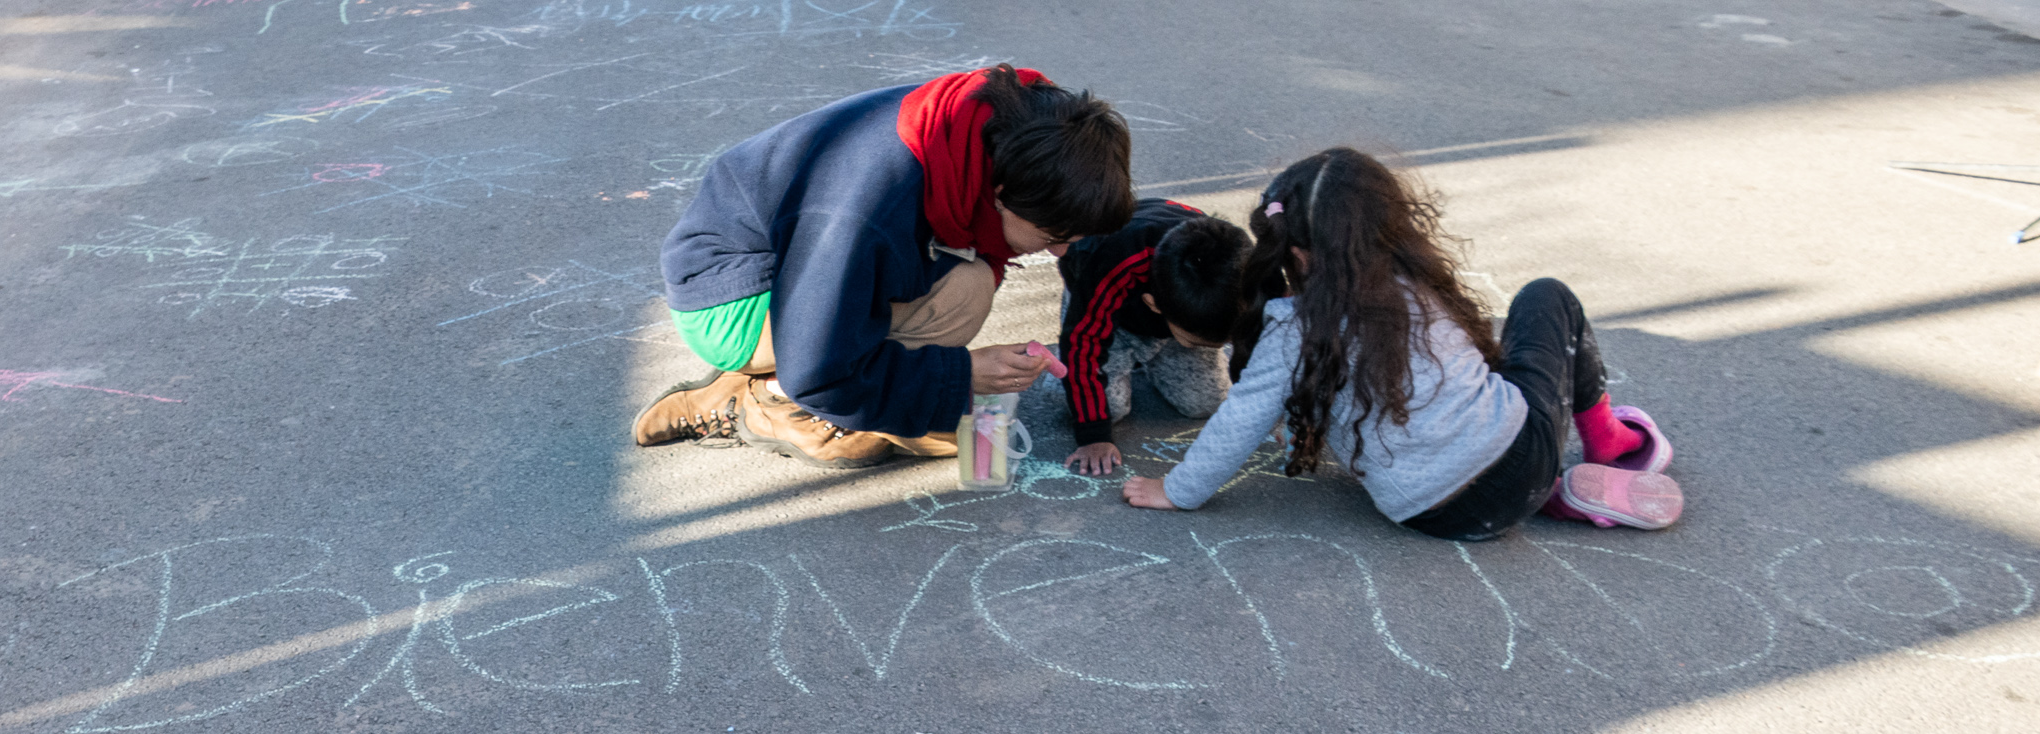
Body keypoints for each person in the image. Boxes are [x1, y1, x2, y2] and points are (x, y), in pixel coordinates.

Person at [1125, 148, 1680, 534]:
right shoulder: (1416, 283)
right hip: (1524, 463)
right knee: (1546, 298)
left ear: (1294, 252)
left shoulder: (1292, 327)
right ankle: (1607, 444)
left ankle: (1559, 498)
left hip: (1429, 514)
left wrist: (1178, 491)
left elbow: (1241, 417)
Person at [635, 65, 1134, 468]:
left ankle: (847, 392)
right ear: (1003, 197)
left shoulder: (1007, 125)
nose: (1061, 254)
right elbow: (820, 368)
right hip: (729, 299)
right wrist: (960, 376)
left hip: (796, 265)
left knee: (968, 288)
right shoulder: (862, 211)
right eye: (1052, 238)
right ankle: (771, 400)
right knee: (864, 377)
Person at [1056, 202, 1250, 475]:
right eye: (1195, 343)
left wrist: (1286, 412)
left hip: (1183, 311)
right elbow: (1083, 343)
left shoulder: (1241, 273)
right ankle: (1054, 370)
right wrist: (1093, 436)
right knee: (1108, 409)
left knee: (1206, 402)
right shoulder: (1113, 261)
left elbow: (1269, 341)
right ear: (1154, 304)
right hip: (1100, 304)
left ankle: (1150, 358)